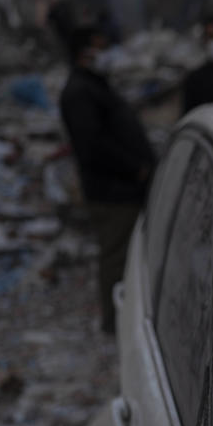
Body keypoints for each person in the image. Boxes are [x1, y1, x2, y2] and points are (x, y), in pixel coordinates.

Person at [59, 26, 156, 335]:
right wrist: (134, 168)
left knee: (130, 256)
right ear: (84, 52)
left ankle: (130, 319)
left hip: (123, 188)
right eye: (100, 47)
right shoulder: (79, 92)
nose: (106, 53)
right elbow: (92, 147)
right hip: (112, 193)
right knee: (116, 258)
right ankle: (117, 327)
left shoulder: (94, 85)